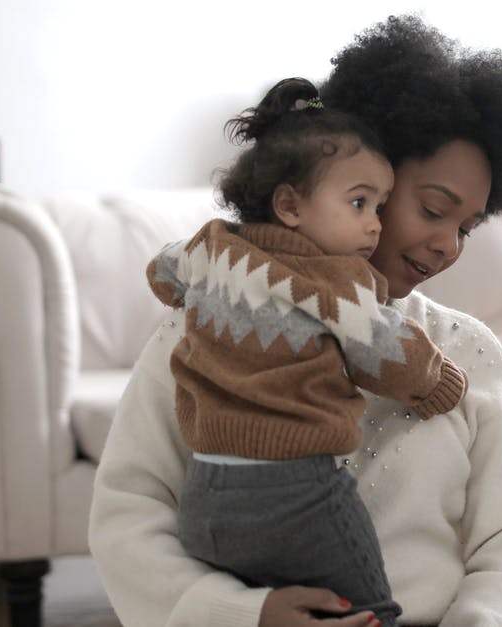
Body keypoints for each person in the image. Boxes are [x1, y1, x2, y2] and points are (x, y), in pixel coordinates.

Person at [89, 14, 502, 627]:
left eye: (467, 228)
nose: (448, 245)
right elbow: (128, 512)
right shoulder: (207, 324)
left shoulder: (466, 352)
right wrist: (244, 614)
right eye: (432, 209)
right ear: (360, 180)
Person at [148, 76, 473, 627]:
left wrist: (202, 289)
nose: (373, 223)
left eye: (380, 206)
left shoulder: (211, 247)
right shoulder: (337, 282)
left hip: (203, 498)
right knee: (371, 609)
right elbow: (393, 358)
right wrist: (445, 384)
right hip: (296, 493)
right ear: (290, 205)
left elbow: (160, 271)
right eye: (359, 202)